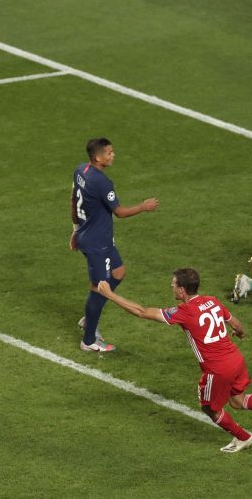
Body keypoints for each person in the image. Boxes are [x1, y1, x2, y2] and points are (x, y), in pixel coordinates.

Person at [97, 268, 252, 453]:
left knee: (210, 408)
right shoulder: (212, 301)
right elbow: (235, 324)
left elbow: (142, 312)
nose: (171, 287)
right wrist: (242, 334)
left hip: (218, 369)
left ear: (182, 290)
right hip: (236, 359)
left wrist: (109, 294)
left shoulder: (184, 311)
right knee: (237, 401)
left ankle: (243, 437)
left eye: (173, 284)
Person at [70, 137, 158, 352]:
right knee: (100, 287)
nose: (113, 155)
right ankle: (89, 340)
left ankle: (90, 317)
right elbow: (119, 212)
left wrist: (74, 230)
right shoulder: (102, 182)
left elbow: (73, 199)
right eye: (109, 153)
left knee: (118, 273)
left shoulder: (81, 170)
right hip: (96, 243)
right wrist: (143, 207)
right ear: (98, 157)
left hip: (93, 237)